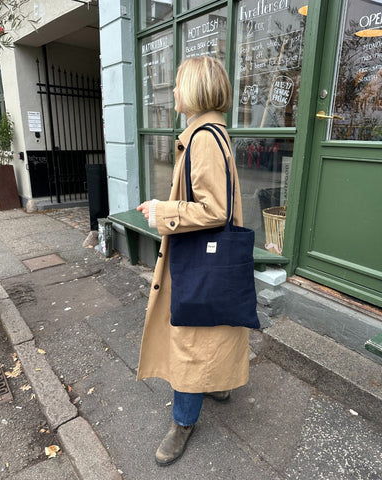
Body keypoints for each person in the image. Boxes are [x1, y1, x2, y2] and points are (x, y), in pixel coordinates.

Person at [136, 56, 250, 466]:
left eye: (179, 85)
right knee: (213, 328)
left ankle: (183, 421)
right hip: (210, 257)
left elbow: (214, 210)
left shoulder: (202, 137)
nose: (173, 93)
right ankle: (217, 382)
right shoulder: (213, 132)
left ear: (197, 91)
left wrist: (163, 212)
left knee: (188, 336)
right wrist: (164, 206)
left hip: (197, 259)